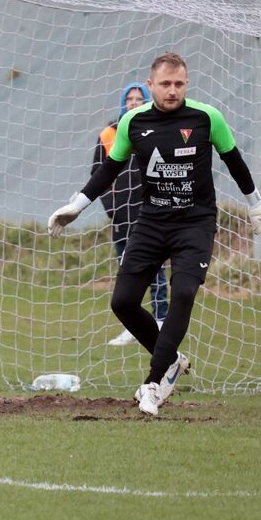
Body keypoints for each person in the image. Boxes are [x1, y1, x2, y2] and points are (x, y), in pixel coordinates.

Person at [49, 52, 261, 416]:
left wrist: (255, 203)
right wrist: (76, 206)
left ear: (187, 84)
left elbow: (234, 160)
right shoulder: (133, 122)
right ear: (150, 85)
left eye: (179, 84)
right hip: (151, 222)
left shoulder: (207, 118)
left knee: (182, 292)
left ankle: (154, 384)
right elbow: (109, 170)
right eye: (165, 84)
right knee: (122, 302)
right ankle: (171, 360)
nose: (172, 91)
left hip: (195, 223)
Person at [95, 82, 169, 346]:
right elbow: (98, 175)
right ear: (123, 103)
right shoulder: (108, 134)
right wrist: (113, 209)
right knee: (127, 272)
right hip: (122, 217)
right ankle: (133, 326)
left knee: (156, 270)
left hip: (152, 215)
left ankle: (161, 319)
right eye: (130, 99)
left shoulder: (158, 130)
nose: (134, 102)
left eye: (140, 98)